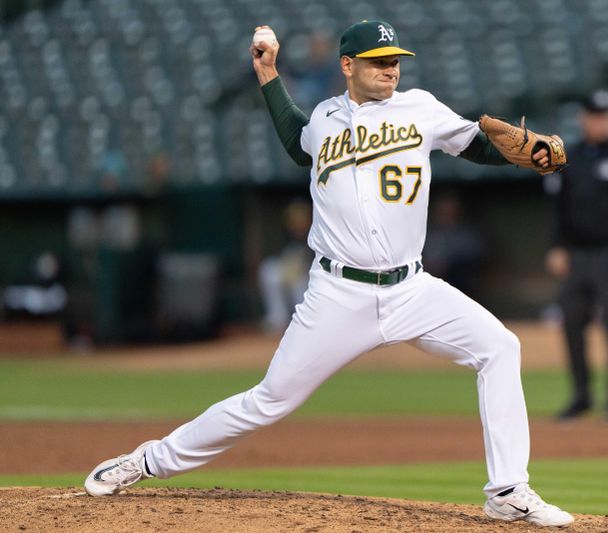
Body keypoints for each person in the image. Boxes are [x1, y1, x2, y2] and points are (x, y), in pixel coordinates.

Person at [84, 20, 573, 527]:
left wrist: (528, 156)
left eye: (395, 60)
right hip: (338, 294)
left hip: (411, 288)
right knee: (268, 400)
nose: (391, 68)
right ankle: (146, 460)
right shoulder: (323, 119)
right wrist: (268, 72)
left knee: (500, 347)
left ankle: (508, 490)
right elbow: (299, 143)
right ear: (347, 65)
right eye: (379, 60)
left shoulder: (421, 108)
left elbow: (477, 143)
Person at [545, 89, 608, 421]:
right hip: (575, 255)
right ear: (583, 119)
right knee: (572, 326)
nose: (600, 122)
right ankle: (581, 396)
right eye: (594, 116)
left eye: (605, 117)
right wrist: (557, 246)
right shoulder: (569, 156)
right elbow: (558, 208)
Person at [258, 199, 314, 332]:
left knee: (300, 282)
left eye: (301, 219)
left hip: (310, 276)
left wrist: (302, 267)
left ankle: (304, 320)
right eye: (294, 219)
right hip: (291, 272)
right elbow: (279, 255)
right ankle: (277, 318)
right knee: (269, 270)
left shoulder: (316, 232)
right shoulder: (284, 235)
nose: (298, 223)